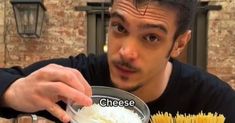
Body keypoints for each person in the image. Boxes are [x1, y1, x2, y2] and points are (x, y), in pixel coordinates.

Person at [1, 0, 235, 122]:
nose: (126, 52)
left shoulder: (212, 102)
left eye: (151, 37)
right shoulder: (76, 82)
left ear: (180, 43)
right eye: (119, 27)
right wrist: (11, 91)